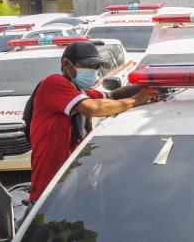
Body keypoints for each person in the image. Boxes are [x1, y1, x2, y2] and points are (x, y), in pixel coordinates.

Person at [29, 42, 158, 202]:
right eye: (88, 66)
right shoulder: (53, 84)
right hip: (49, 186)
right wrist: (136, 101)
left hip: (73, 178)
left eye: (96, 67)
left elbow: (112, 96)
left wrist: (146, 85)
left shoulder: (78, 91)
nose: (94, 72)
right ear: (66, 64)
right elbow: (92, 108)